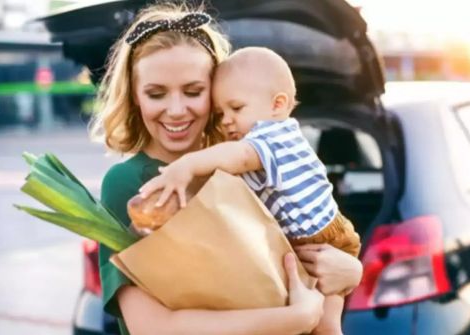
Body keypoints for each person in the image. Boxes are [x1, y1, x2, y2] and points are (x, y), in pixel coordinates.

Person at [93, 3, 362, 335]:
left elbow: (291, 253)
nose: (176, 110)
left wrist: (351, 271)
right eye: (156, 93)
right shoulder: (131, 183)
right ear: (135, 97)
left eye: (193, 91)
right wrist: (294, 319)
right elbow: (152, 328)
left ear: (217, 93)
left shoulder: (243, 168)